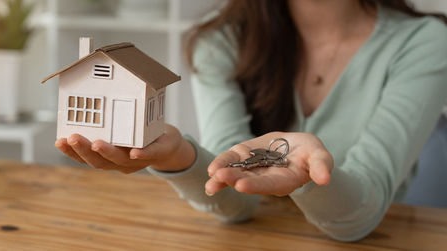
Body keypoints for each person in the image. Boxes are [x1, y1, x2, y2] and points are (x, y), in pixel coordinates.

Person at [55, 0, 447, 241]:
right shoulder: (220, 42)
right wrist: (177, 155)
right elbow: (234, 202)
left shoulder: (425, 43)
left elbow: (360, 214)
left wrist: (309, 176)